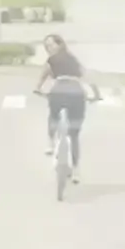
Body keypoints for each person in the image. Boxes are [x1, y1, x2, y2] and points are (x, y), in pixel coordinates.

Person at [34, 33, 99, 178]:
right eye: (46, 47)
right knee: (74, 134)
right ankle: (76, 170)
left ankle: (50, 143)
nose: (49, 48)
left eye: (51, 45)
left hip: (59, 91)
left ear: (60, 44)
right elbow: (88, 76)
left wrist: (37, 89)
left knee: (53, 115)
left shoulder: (51, 60)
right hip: (77, 93)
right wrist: (96, 94)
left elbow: (43, 76)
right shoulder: (74, 60)